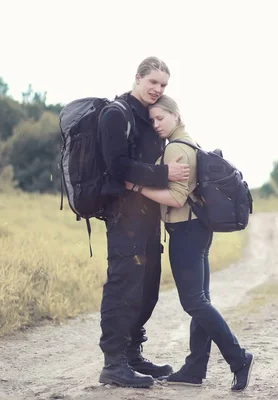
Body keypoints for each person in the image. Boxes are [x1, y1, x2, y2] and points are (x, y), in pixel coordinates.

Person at [124, 94, 255, 391]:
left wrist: (136, 186)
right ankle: (195, 367)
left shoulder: (176, 149)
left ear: (175, 115)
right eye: (153, 120)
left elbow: (176, 197)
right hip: (197, 230)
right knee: (201, 300)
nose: (156, 125)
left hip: (186, 232)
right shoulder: (189, 142)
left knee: (193, 301)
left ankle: (239, 358)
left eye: (161, 118)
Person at [97, 57, 190, 388]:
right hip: (123, 218)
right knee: (123, 286)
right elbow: (117, 166)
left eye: (163, 86)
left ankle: (133, 355)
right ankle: (114, 363)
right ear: (137, 78)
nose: (158, 90)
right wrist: (164, 174)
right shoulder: (116, 114)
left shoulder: (148, 118)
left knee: (148, 287)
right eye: (153, 82)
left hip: (148, 218)